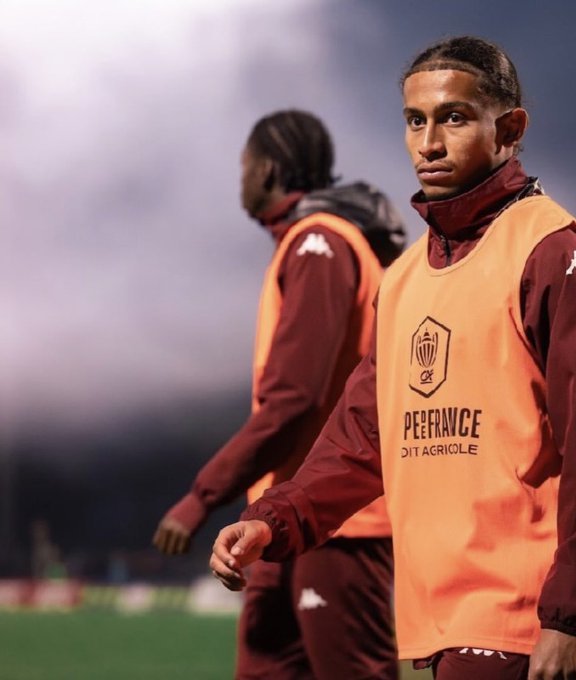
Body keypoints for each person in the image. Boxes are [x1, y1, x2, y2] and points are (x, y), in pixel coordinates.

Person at [210, 37, 576, 680]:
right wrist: (274, 519)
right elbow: (363, 437)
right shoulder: (405, 277)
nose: (429, 143)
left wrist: (570, 615)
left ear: (510, 130)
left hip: (522, 619)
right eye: (416, 121)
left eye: (454, 118)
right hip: (436, 615)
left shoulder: (557, 256)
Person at [153, 109, 405, 679]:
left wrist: (201, 497)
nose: (239, 179)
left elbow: (294, 398)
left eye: (243, 166)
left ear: (267, 170)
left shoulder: (320, 243)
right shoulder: (314, 241)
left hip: (335, 522)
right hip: (282, 516)